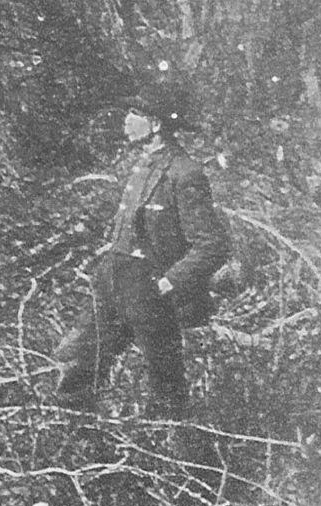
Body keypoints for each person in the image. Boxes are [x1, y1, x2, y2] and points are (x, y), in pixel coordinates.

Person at [53, 83, 232, 419]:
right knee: (79, 364)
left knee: (165, 387)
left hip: (149, 290)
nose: (126, 120)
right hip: (113, 282)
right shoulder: (142, 166)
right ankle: (80, 438)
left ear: (156, 124)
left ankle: (170, 446)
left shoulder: (184, 173)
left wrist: (167, 283)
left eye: (135, 113)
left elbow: (212, 245)